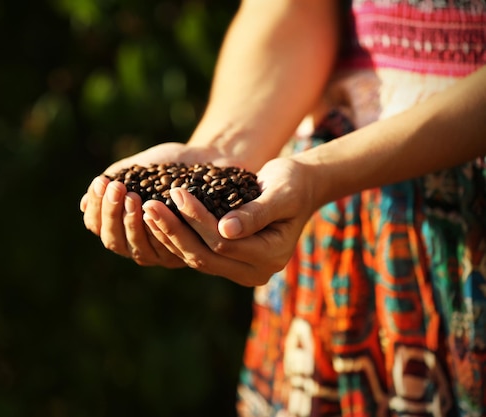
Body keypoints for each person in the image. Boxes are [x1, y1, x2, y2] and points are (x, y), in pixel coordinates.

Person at [81, 0, 486, 415]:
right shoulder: (293, 182)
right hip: (331, 220)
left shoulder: (311, 178)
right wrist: (223, 148)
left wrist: (321, 174)